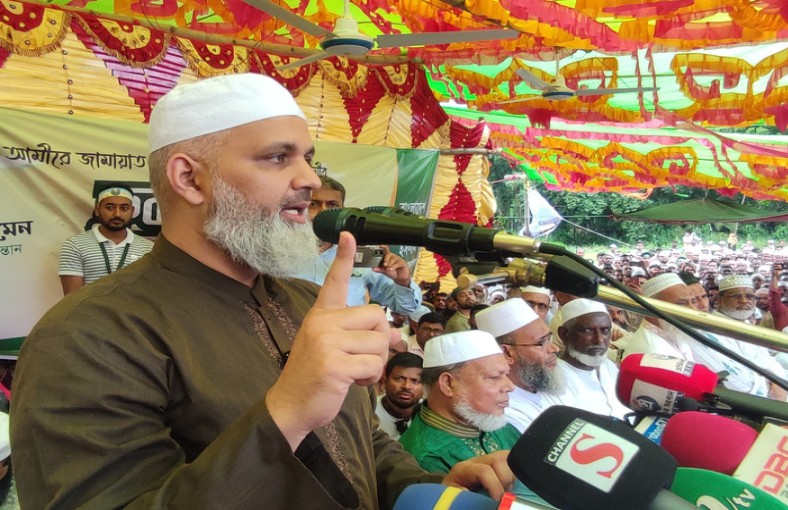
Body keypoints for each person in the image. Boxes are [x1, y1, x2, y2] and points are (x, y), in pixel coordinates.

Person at [12, 74, 512, 509]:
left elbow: (359, 444)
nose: (310, 181)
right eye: (277, 158)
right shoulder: (87, 334)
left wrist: (429, 492)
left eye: (308, 159)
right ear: (189, 178)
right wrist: (286, 413)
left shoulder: (303, 299)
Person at [399, 330, 520, 473]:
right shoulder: (425, 458)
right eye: (494, 377)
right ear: (448, 384)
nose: (510, 386)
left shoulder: (489, 420)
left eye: (506, 374)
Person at [299, 175, 423, 314]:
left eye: (332, 205)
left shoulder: (363, 253)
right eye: (313, 204)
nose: (323, 212)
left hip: (346, 334)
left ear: (341, 211)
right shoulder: (279, 253)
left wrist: (403, 281)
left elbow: (407, 308)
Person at [475, 298, 566, 433]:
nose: (554, 349)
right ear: (507, 353)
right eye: (542, 343)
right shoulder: (502, 411)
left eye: (550, 339)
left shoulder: (549, 383)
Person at [57, 184, 154, 295]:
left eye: (124, 208)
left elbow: (148, 294)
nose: (117, 214)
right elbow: (71, 300)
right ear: (97, 210)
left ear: (132, 211)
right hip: (90, 312)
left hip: (133, 312)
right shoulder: (75, 245)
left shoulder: (148, 248)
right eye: (110, 207)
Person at [555, 299, 631, 420]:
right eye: (588, 330)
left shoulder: (608, 366)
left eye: (605, 330)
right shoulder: (556, 378)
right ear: (564, 334)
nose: (599, 340)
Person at [376, 353, 424, 440]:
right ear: (384, 382)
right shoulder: (369, 412)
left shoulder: (428, 414)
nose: (406, 386)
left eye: (415, 381)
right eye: (399, 379)